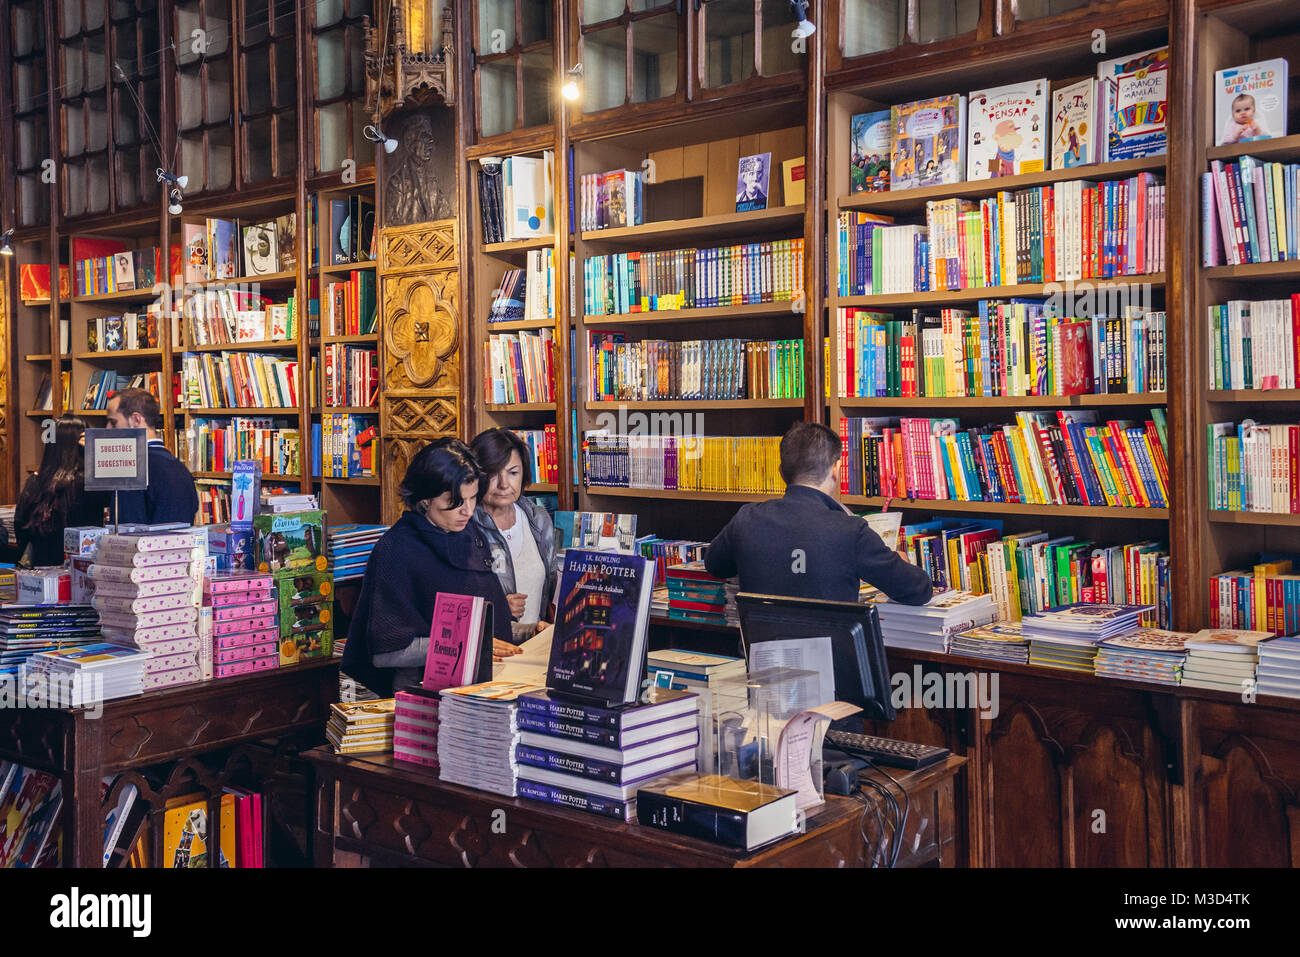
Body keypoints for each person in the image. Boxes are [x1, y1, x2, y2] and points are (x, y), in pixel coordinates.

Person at [341, 438, 519, 696]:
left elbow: (491, 628)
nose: (467, 511)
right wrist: (467, 646)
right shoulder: (396, 549)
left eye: (472, 498)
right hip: (424, 693)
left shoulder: (471, 534)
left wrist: (531, 630)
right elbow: (386, 652)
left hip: (488, 686)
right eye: (455, 501)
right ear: (425, 499)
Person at [704, 421, 933, 606]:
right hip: (831, 661)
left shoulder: (747, 518)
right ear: (836, 470)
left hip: (761, 659)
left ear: (781, 472)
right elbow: (919, 590)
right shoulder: (851, 531)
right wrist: (899, 561)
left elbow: (715, 565)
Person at [469, 428, 557, 641]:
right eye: (493, 474)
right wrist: (497, 607)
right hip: (490, 648)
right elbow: (452, 599)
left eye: (513, 473)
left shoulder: (538, 518)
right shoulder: (465, 525)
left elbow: (550, 586)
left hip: (535, 644)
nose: (504, 484)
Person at [13, 414, 107, 566]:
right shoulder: (90, 484)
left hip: (42, 570)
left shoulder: (35, 481)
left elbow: (20, 526)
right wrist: (98, 454)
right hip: (83, 570)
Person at [105, 388, 200, 526]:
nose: (107, 429)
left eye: (113, 422)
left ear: (136, 420)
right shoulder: (180, 468)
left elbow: (125, 535)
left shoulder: (132, 468)